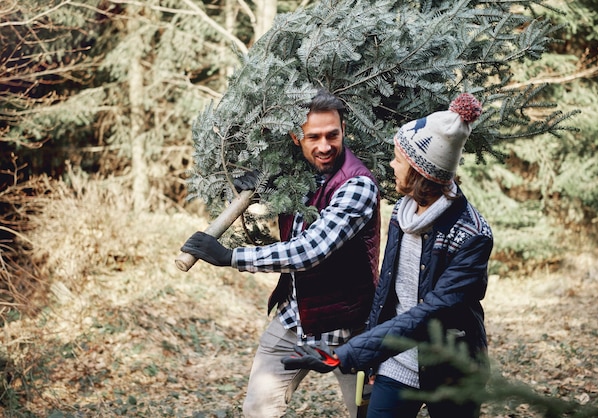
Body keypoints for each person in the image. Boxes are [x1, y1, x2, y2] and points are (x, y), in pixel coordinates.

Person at [282, 93, 493, 418]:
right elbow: (388, 290)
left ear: (421, 170)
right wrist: (372, 355)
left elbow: (429, 313)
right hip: (397, 364)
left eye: (399, 159)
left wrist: (348, 354)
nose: (392, 165)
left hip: (453, 371)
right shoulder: (402, 213)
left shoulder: (473, 235)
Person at [181, 89, 381, 417]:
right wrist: (256, 185)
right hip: (295, 318)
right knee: (258, 409)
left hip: (349, 326)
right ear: (295, 136)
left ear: (344, 128)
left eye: (333, 134)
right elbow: (291, 199)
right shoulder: (297, 171)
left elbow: (310, 249)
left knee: (369, 413)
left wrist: (231, 257)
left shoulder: (357, 185)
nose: (325, 146)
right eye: (313, 136)